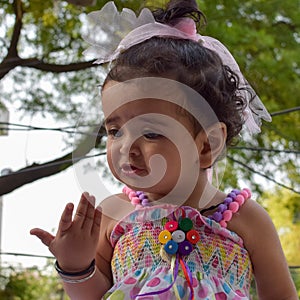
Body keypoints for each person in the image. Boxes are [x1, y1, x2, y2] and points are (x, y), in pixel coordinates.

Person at [30, 1, 298, 299]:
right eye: (114, 131)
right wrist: (76, 266)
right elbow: (93, 295)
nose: (126, 146)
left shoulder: (247, 219)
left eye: (151, 132)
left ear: (207, 144)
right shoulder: (112, 214)